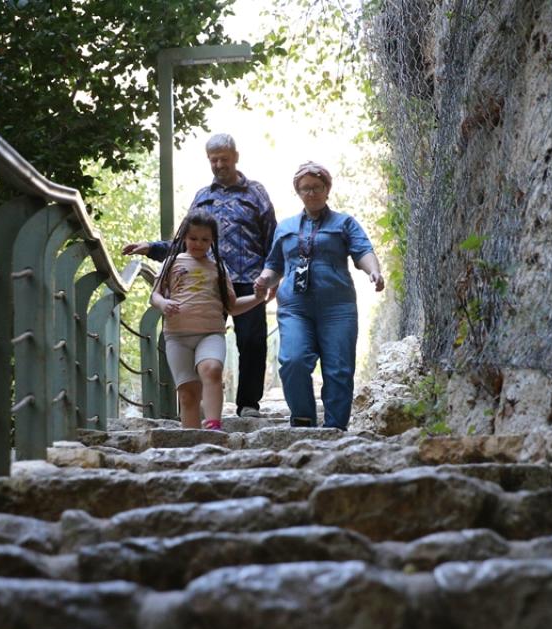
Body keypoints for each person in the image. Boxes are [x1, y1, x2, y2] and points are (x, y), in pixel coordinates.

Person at [124, 133, 277, 417]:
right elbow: (186, 240)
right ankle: (199, 406)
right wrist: (152, 248)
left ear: (235, 157)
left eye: (224, 159)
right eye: (213, 160)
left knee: (252, 341)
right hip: (206, 280)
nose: (219, 165)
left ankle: (248, 404)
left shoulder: (256, 193)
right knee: (201, 338)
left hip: (248, 277)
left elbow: (272, 238)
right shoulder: (203, 196)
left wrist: (273, 277)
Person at [253, 161, 384, 430]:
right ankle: (303, 422)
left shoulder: (344, 223)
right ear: (298, 192)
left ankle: (334, 428)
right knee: (293, 360)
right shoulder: (285, 227)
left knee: (339, 368)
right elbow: (274, 265)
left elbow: (363, 251)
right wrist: (264, 279)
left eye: (316, 187)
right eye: (305, 188)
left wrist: (374, 271)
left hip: (337, 307)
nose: (311, 193)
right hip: (295, 307)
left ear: (327, 189)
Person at [151, 210, 269, 430]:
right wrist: (163, 303)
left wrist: (258, 298)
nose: (199, 244)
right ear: (184, 237)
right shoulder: (171, 263)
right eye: (193, 238)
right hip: (177, 336)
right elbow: (155, 295)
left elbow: (232, 306)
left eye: (205, 240)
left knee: (212, 369)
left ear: (213, 241)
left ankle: (213, 426)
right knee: (188, 394)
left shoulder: (218, 268)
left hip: (210, 333)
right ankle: (193, 439)